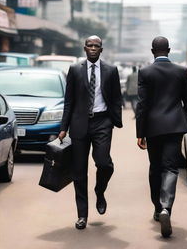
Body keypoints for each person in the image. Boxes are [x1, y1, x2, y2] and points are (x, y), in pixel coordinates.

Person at [59, 35, 123, 230]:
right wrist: (63, 127)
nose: (93, 48)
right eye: (90, 45)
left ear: (101, 49)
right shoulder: (75, 70)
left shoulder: (111, 71)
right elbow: (69, 100)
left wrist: (113, 120)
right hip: (79, 124)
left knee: (104, 163)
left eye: (97, 46)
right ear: (84, 48)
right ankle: (82, 215)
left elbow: (116, 98)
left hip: (102, 122)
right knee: (79, 172)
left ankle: (100, 190)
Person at [136, 36, 187, 238]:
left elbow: (142, 106)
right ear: (168, 50)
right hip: (174, 127)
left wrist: (140, 133)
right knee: (170, 167)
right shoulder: (180, 71)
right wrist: (180, 117)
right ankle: (166, 208)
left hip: (153, 128)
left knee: (155, 167)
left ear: (152, 51)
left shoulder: (145, 72)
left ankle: (156, 207)